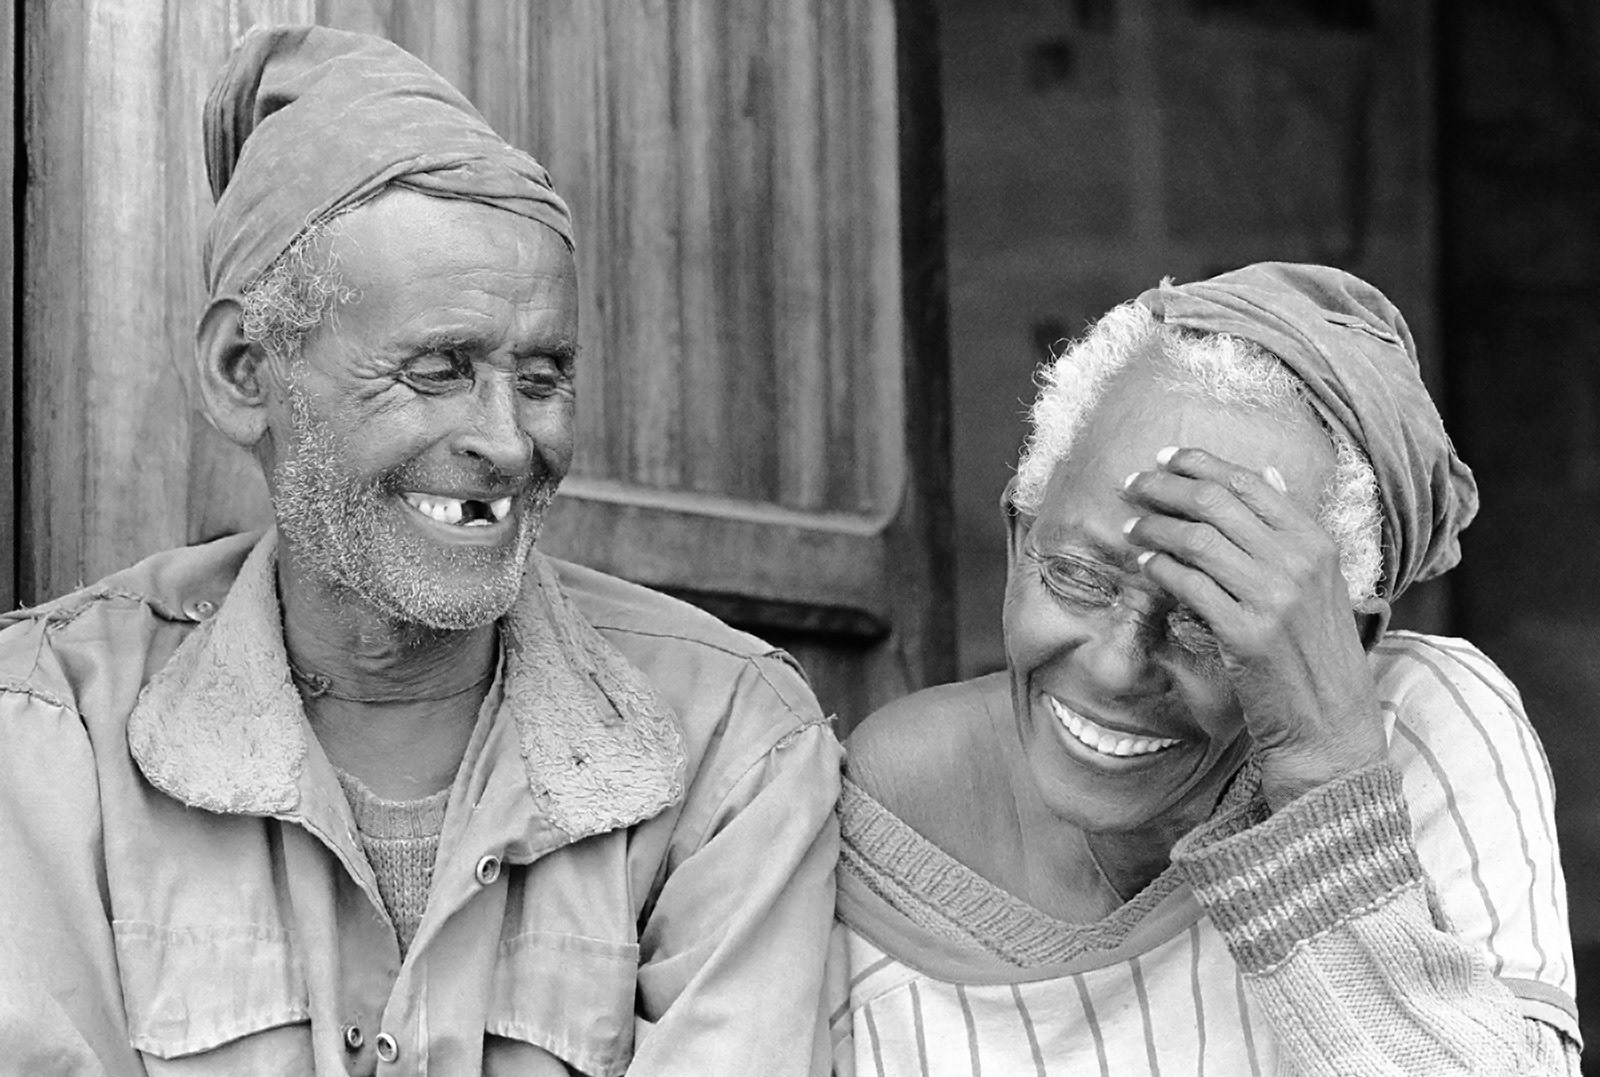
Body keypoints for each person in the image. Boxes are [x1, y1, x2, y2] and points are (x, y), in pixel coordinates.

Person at [0, 26, 841, 1076]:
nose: (507, 441)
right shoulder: (44, 732)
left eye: (540, 378)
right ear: (243, 371)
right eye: (439, 370)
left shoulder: (731, 739)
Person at [828, 264, 1580, 1075]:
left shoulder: (1425, 729)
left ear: (1341, 640)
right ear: (1021, 539)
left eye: (1205, 617)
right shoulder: (869, 812)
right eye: (1078, 575)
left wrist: (1324, 771)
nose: (1117, 669)